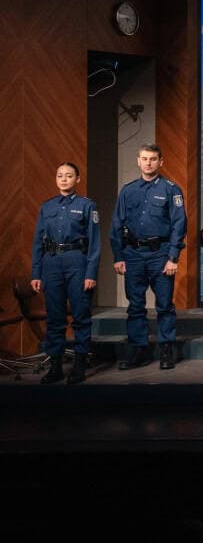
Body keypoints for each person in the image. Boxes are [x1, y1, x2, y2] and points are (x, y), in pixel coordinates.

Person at [111, 143, 187, 370]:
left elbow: (179, 225)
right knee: (135, 305)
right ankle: (139, 351)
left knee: (164, 305)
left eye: (153, 159)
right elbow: (116, 225)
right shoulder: (128, 191)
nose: (148, 163)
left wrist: (173, 257)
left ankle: (167, 350)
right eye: (144, 158)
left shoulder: (171, 189)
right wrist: (118, 256)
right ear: (138, 161)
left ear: (160, 162)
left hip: (160, 254)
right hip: (133, 254)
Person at [30, 163, 101, 384]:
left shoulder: (87, 205)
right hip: (51, 264)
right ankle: (55, 367)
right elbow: (38, 243)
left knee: (81, 316)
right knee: (55, 318)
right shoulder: (47, 206)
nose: (63, 179)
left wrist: (90, 273)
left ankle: (79, 365)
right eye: (60, 175)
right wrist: (36, 273)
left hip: (77, 262)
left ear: (77, 179)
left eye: (69, 175)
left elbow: (95, 243)